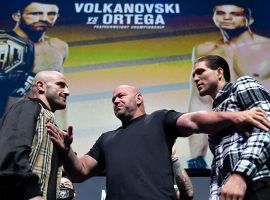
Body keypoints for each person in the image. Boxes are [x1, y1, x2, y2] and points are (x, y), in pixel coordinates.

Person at [47, 84, 270, 200]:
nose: (116, 100)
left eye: (121, 95)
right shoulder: (107, 139)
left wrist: (235, 116)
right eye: (113, 99)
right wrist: (66, 152)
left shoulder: (159, 119)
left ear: (139, 98)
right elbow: (80, 172)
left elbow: (194, 121)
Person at [187, 1, 270, 168]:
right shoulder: (204, 51)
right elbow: (200, 102)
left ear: (250, 19)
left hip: (263, 131)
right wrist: (197, 156)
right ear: (213, 16)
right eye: (221, 13)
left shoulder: (266, 47)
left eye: (235, 14)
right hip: (225, 140)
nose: (226, 17)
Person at [192, 55, 270, 200]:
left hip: (257, 181)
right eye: (193, 75)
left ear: (219, 72)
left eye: (200, 72)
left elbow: (266, 128)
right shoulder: (215, 116)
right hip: (231, 192)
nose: (195, 78)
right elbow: (218, 165)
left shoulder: (242, 85)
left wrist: (240, 176)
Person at [0, 71, 70, 200]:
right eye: (60, 85)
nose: (67, 92)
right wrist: (31, 192)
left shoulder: (52, 125)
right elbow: (13, 154)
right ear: (40, 86)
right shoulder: (27, 107)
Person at [0, 0, 68, 123]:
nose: (45, 18)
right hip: (6, 125)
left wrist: (62, 129)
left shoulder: (58, 47)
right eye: (36, 13)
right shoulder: (3, 44)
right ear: (17, 16)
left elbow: (60, 92)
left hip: (40, 127)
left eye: (51, 14)